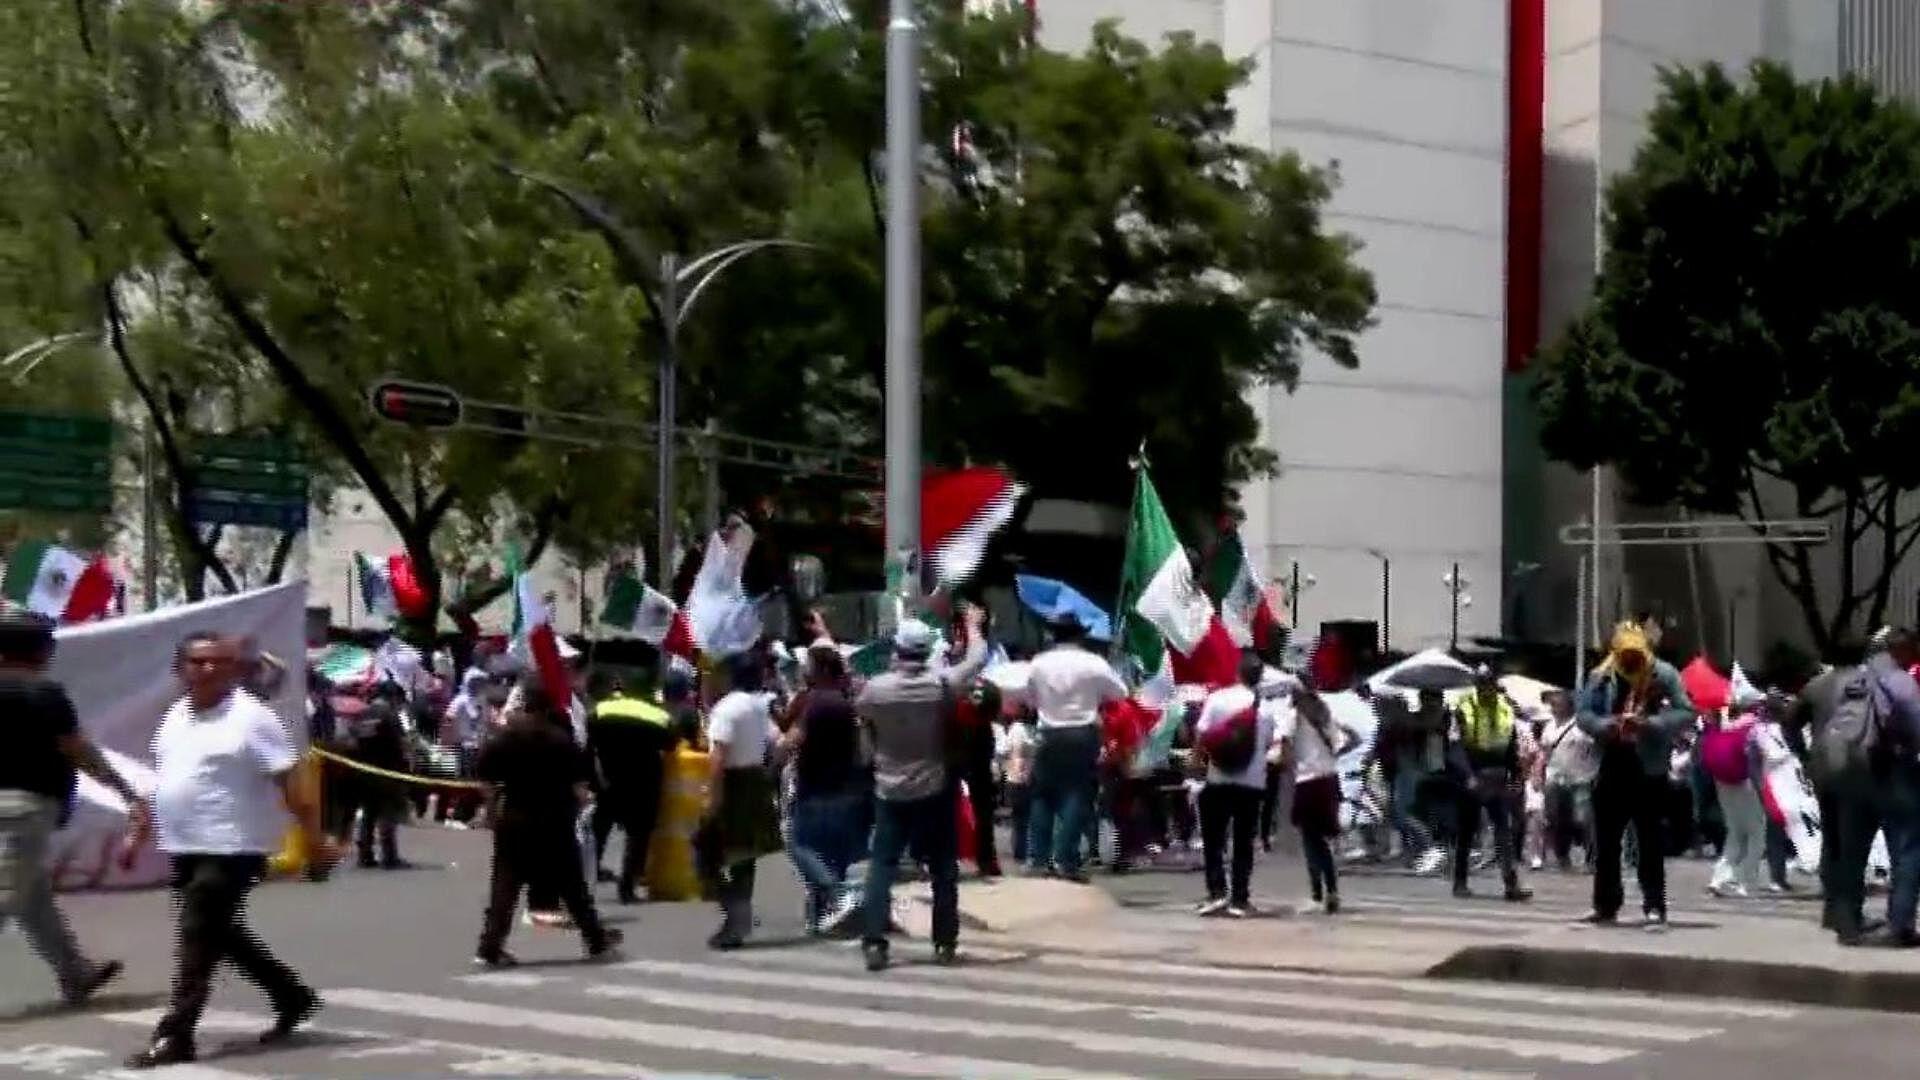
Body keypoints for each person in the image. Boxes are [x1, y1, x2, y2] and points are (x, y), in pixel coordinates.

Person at [126, 632, 332, 1070]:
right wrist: (139, 827)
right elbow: (164, 778)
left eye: (221, 662)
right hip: (185, 843)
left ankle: (176, 1035)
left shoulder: (253, 719)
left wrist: (315, 840)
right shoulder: (176, 715)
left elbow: (292, 783)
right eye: (198, 662)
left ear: (238, 670)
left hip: (233, 845)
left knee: (197, 934)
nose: (209, 670)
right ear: (180, 669)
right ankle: (291, 996)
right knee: (221, 934)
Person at [0, 609, 145, 1007]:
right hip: (24, 808)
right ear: (43, 651)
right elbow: (77, 749)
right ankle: (75, 970)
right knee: (7, 894)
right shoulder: (43, 694)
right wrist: (123, 789)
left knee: (32, 897)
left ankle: (75, 971)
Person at [855, 607, 988, 971]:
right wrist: (974, 627)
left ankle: (874, 943)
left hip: (889, 788)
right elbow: (977, 660)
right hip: (933, 787)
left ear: (896, 649)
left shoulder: (875, 690)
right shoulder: (939, 685)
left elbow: (863, 717)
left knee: (882, 866)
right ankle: (944, 942)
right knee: (943, 868)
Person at [473, 683, 622, 967]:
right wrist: (576, 810)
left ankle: (489, 949)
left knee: (504, 888)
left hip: (514, 820)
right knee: (573, 888)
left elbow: (487, 783)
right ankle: (596, 942)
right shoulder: (561, 741)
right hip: (555, 822)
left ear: (526, 708)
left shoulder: (504, 739)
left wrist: (492, 814)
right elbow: (580, 788)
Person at [1799, 629, 1920, 946]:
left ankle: (1847, 923)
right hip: (1889, 770)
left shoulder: (1851, 679)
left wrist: (1805, 756)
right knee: (1907, 848)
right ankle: (1900, 924)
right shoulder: (1898, 679)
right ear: (1902, 649)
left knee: (1851, 850)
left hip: (1846, 770)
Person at [1575, 622, 1694, 932]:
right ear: (1616, 652)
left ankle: (1654, 906)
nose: (1631, 660)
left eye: (1636, 654)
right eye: (1625, 654)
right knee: (1607, 841)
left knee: (1650, 840)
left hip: (1648, 766)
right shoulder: (1600, 676)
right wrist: (1605, 725)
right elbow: (1583, 714)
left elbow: (1685, 711)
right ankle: (1605, 906)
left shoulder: (1664, 674)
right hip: (1611, 762)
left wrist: (1651, 723)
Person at [1023, 616, 1126, 882]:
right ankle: (1066, 860)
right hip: (1082, 733)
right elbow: (1120, 692)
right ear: (1079, 636)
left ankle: (1038, 858)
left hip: (1048, 733)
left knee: (1042, 795)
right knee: (1076, 795)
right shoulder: (1093, 663)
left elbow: (1029, 698)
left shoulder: (1038, 663)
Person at [782, 645, 867, 935]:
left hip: (815, 789)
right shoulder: (846, 702)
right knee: (831, 856)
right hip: (846, 790)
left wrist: (772, 762)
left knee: (797, 845)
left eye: (808, 666)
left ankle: (837, 894)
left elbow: (791, 742)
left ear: (820, 671)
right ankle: (823, 917)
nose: (803, 670)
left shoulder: (815, 703)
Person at [702, 653, 782, 950]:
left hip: (733, 783)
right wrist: (767, 771)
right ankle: (738, 920)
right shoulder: (759, 709)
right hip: (755, 781)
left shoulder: (726, 710)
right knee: (744, 859)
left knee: (704, 853)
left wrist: (713, 798)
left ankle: (735, 917)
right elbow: (779, 744)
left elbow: (718, 758)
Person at [1192, 652, 1278, 918]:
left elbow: (1202, 734)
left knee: (1213, 840)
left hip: (1218, 779)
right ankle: (1240, 899)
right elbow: (1265, 745)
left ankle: (1216, 892)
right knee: (1243, 842)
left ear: (1237, 673)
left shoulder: (1218, 699)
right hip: (1252, 784)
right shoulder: (1266, 709)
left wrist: (1197, 764)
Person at [590, 674, 679, 904]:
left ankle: (587, 877)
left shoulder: (600, 709)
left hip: (608, 779)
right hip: (643, 782)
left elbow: (588, 739)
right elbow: (670, 744)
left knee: (599, 830)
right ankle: (627, 888)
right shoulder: (658, 716)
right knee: (637, 836)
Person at [1449, 666, 1532, 903]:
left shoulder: (1505, 707)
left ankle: (1511, 883)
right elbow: (1455, 748)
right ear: (1476, 685)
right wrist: (1468, 776)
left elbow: (1512, 745)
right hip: (1472, 771)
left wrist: (1516, 776)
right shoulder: (1463, 708)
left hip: (1497, 774)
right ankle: (1460, 881)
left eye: (1489, 684)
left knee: (1503, 829)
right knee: (1466, 831)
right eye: (1482, 684)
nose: (1486, 689)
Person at [1280, 683, 1357, 913]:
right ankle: (1332, 890)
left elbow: (1284, 748)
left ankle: (1317, 895)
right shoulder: (1324, 715)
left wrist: (1286, 766)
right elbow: (1349, 742)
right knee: (1322, 841)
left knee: (1310, 842)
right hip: (1329, 780)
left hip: (1307, 781)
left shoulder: (1294, 717)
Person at [1703, 684, 1766, 899]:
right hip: (1743, 782)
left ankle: (1719, 879)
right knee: (1757, 833)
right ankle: (1742, 880)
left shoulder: (1724, 724)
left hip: (1722, 781)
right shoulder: (1754, 726)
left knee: (1735, 831)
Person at [1540, 690, 1598, 871]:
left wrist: (1594, 770)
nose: (1554, 708)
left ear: (1569, 706)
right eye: (1553, 705)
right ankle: (1563, 857)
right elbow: (1545, 751)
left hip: (1580, 779)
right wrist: (1540, 773)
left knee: (1584, 820)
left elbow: (1596, 747)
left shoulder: (1581, 726)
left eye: (1558, 705)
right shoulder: (1549, 726)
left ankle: (1592, 860)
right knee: (1556, 819)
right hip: (1555, 778)